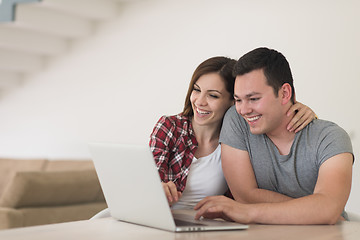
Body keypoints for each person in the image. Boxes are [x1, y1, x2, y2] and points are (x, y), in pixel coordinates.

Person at [194, 47, 354, 224]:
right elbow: (245, 196)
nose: (244, 110)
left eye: (254, 99)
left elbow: (328, 209)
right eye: (238, 100)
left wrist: (249, 212)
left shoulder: (330, 138)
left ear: (285, 93)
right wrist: (312, 211)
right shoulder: (237, 120)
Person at [149, 56, 317, 209]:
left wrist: (300, 110)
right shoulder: (169, 127)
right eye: (197, 90)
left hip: (213, 225)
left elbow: (270, 113)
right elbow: (150, 179)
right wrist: (158, 188)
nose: (200, 102)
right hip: (166, 219)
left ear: (232, 101)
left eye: (213, 96)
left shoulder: (241, 136)